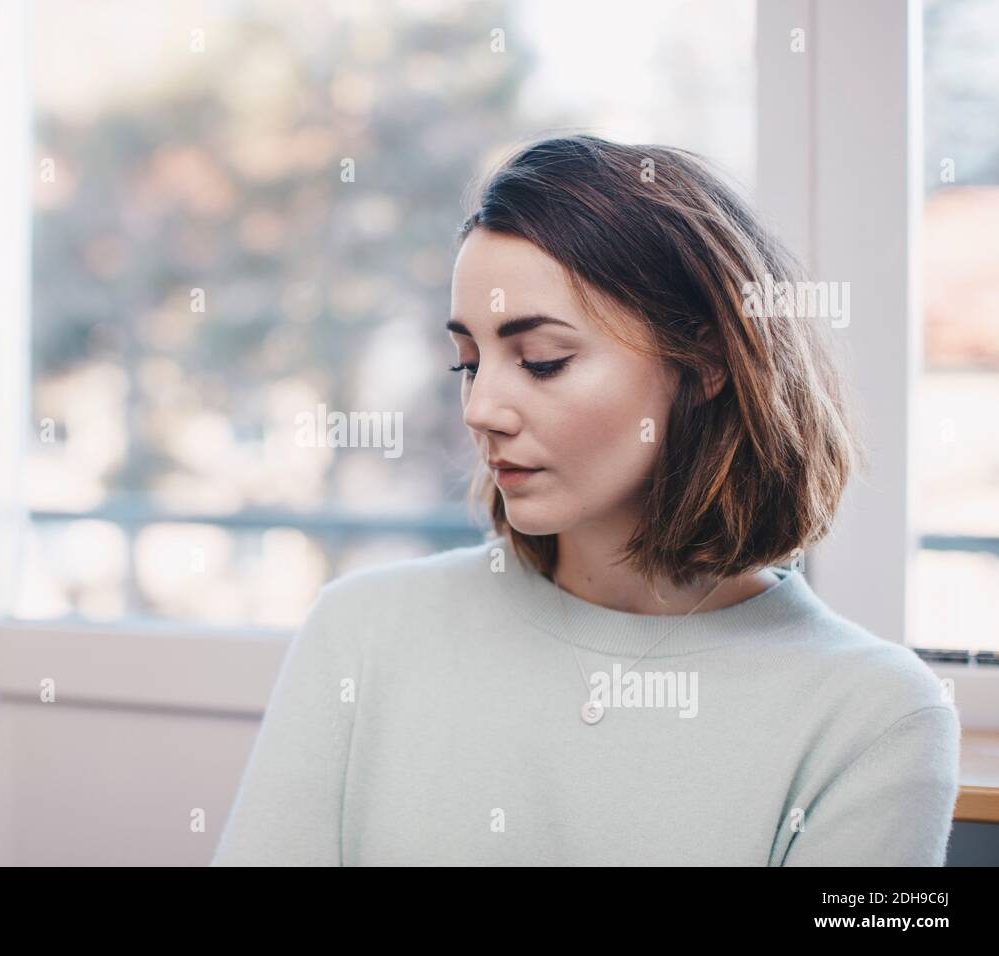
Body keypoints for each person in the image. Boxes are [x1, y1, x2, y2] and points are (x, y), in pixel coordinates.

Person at [211, 134, 960, 866]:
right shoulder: (361, 632)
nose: (480, 410)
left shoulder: (878, 718)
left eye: (542, 361)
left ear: (703, 363)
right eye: (468, 363)